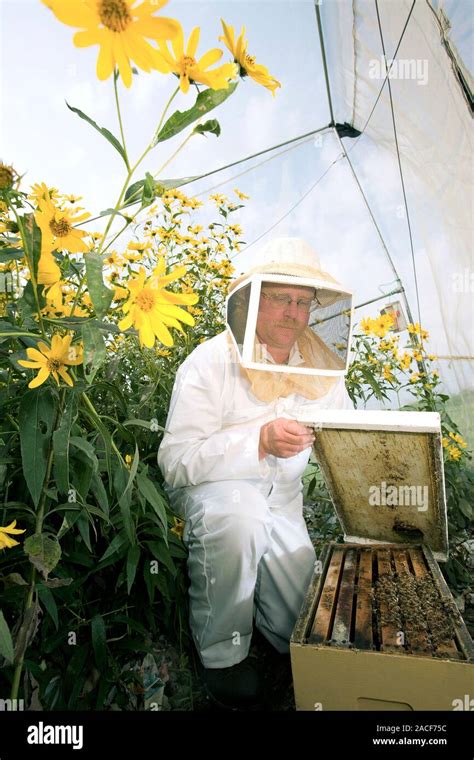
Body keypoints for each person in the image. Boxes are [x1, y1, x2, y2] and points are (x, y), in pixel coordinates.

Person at [157, 237, 353, 709]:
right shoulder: (209, 361)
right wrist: (258, 442)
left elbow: (346, 434)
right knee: (240, 519)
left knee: (306, 627)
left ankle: (271, 633)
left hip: (283, 502)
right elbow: (176, 460)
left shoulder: (322, 369)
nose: (292, 313)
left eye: (302, 302)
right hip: (215, 495)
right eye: (280, 298)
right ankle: (221, 653)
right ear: (250, 299)